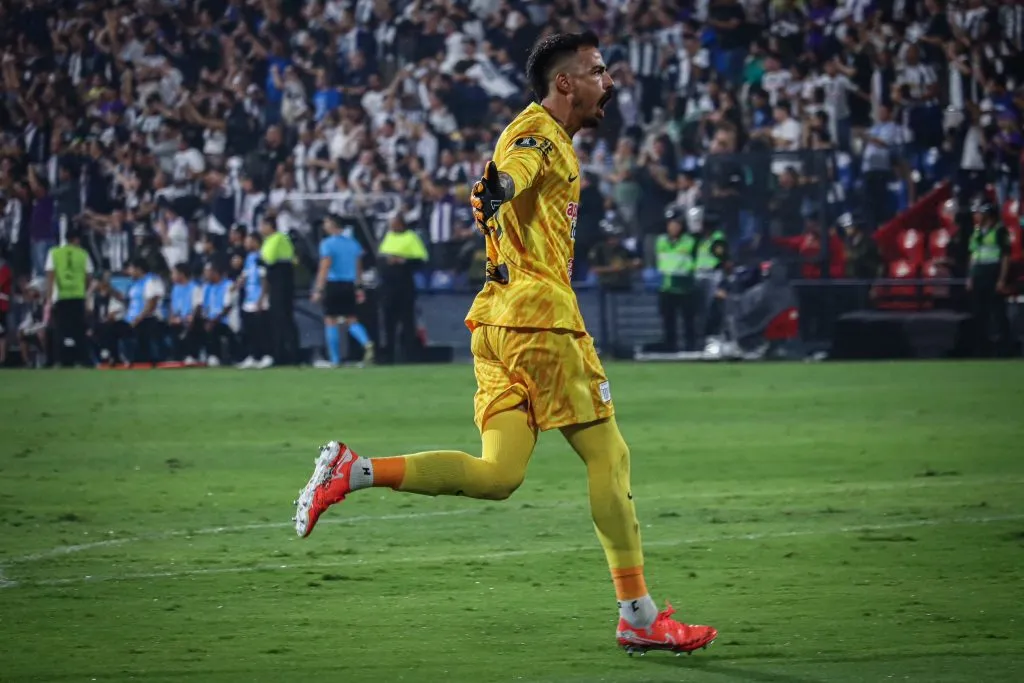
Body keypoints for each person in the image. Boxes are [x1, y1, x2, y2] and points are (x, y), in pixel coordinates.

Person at [293, 32, 717, 656]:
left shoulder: (547, 137)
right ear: (565, 83)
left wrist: (499, 190)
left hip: (495, 324)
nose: (610, 81)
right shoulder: (540, 133)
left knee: (499, 476)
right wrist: (501, 186)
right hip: (541, 323)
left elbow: (511, 175)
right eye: (598, 71)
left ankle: (351, 471)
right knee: (609, 457)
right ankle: (638, 614)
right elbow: (517, 168)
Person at [311, 214, 374, 368]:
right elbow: (359, 267)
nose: (324, 226)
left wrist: (318, 288)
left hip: (333, 284)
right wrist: (359, 287)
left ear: (333, 225)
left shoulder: (327, 244)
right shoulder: (353, 244)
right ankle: (367, 342)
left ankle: (335, 360)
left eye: (326, 223)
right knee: (351, 319)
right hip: (349, 284)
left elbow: (325, 266)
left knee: (330, 320)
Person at [376, 214, 428, 364]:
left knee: (407, 321)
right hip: (387, 286)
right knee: (388, 322)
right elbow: (380, 258)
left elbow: (421, 260)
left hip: (405, 285)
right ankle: (389, 356)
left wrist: (402, 260)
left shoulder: (411, 237)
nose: (392, 227)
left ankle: (409, 356)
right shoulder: (388, 237)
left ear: (401, 224)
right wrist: (387, 261)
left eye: (394, 223)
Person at [44, 225, 93, 367]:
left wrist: (49, 298)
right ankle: (81, 360)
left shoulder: (54, 253)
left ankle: (61, 360)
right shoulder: (83, 254)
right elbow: (88, 276)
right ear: (77, 239)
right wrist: (83, 289)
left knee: (61, 330)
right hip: (78, 296)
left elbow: (50, 276)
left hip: (61, 296)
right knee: (78, 330)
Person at [966, 202, 1011, 357]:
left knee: (997, 313)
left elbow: (1005, 257)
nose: (976, 216)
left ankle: (1003, 350)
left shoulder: (999, 231)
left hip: (993, 274)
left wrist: (1002, 280)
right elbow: (974, 255)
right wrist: (970, 277)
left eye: (980, 214)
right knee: (980, 313)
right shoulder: (977, 232)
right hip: (979, 275)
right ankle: (982, 350)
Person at [655, 206, 698, 352]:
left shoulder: (690, 241)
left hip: (685, 287)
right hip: (667, 287)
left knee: (689, 321)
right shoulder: (661, 240)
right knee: (668, 321)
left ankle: (690, 347)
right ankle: (670, 347)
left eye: (676, 223)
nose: (673, 227)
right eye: (670, 223)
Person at [259, 218, 299, 365]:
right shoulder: (282, 238)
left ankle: (283, 354)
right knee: (286, 318)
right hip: (284, 281)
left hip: (279, 282)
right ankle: (289, 353)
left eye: (263, 225)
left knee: (280, 318)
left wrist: (261, 257)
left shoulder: (276, 238)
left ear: (270, 226)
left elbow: (268, 258)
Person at [235, 233, 274, 369]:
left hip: (259, 298)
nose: (246, 244)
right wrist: (239, 283)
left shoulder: (261, 257)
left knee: (262, 330)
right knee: (250, 330)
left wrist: (261, 298)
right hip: (249, 298)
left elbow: (264, 279)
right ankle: (252, 355)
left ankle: (266, 355)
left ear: (256, 242)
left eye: (248, 241)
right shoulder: (249, 258)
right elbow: (245, 275)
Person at [198, 261, 238, 366]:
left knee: (213, 327)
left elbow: (227, 307)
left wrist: (213, 320)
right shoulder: (206, 287)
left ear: (215, 272)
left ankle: (215, 356)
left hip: (225, 321)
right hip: (210, 319)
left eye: (207, 272)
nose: (205, 274)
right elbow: (203, 306)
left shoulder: (229, 285)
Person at [167, 264, 202, 364]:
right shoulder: (175, 288)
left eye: (173, 273)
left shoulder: (195, 287)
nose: (171, 276)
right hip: (180, 318)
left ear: (181, 274)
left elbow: (198, 306)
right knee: (173, 326)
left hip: (191, 318)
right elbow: (173, 307)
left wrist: (190, 317)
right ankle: (176, 356)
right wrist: (172, 318)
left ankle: (192, 355)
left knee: (193, 324)